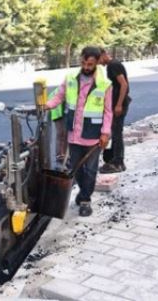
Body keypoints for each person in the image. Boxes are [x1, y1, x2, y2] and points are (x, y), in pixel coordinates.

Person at [45, 46, 112, 217]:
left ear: (97, 63)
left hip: (93, 136)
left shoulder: (105, 84)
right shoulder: (70, 78)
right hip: (73, 134)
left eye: (90, 64)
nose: (86, 67)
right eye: (83, 63)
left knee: (90, 170)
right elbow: (59, 96)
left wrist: (105, 133)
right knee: (76, 169)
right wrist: (45, 105)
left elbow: (108, 111)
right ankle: (83, 192)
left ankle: (85, 200)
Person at [99, 48, 131, 174]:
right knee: (115, 131)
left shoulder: (113, 65)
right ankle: (115, 159)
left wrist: (118, 105)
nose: (98, 63)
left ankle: (118, 162)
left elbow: (123, 84)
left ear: (103, 55)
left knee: (117, 132)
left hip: (120, 104)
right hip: (117, 103)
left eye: (98, 59)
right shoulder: (111, 65)